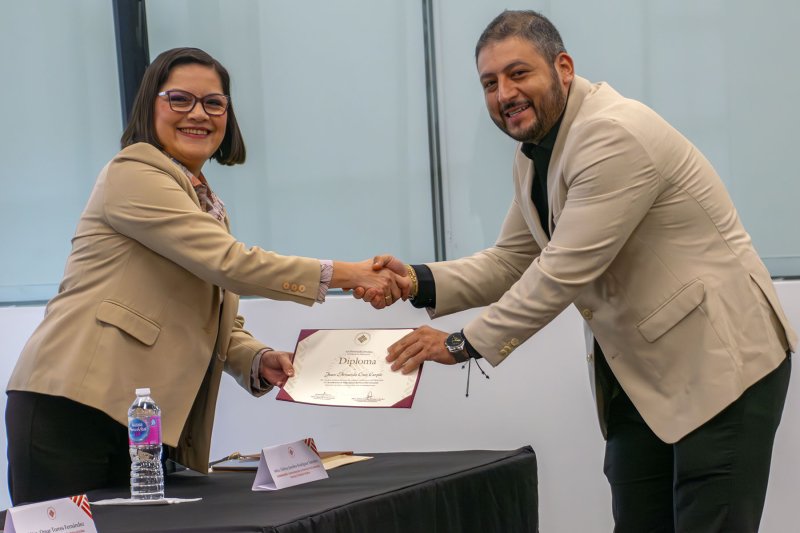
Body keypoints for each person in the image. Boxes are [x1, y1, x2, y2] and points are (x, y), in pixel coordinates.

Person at [362, 10, 797, 532]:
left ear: (562, 67)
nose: (504, 94)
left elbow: (560, 272)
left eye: (518, 74)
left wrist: (461, 344)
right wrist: (415, 280)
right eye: (489, 83)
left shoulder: (612, 135)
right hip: (643, 380)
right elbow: (510, 258)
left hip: (721, 364)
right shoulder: (535, 153)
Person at [5, 47, 409, 505]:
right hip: (74, 406)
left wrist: (255, 358)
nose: (198, 114)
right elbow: (231, 264)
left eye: (213, 103)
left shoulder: (201, 200)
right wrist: (349, 273)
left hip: (137, 418)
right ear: (148, 107)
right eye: (179, 99)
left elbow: (204, 312)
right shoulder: (134, 173)